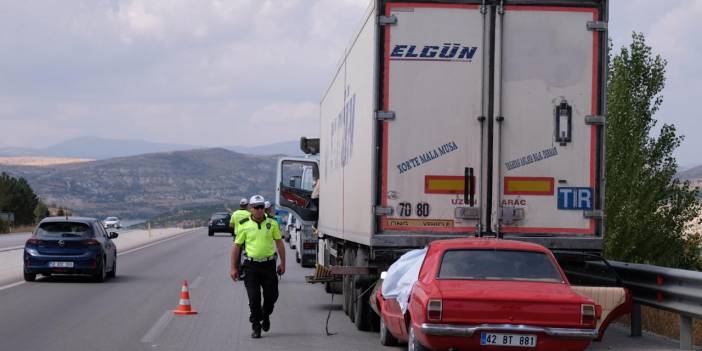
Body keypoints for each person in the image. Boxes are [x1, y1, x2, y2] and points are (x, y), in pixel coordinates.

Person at [230, 195, 286, 339]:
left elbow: (279, 243)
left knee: (272, 296)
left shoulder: (272, 223)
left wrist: (283, 263)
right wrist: (233, 268)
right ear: (251, 209)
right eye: (256, 207)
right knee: (254, 299)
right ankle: (256, 326)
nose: (260, 210)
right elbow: (236, 246)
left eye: (262, 207)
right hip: (251, 266)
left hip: (268, 265)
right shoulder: (244, 224)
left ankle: (265, 314)